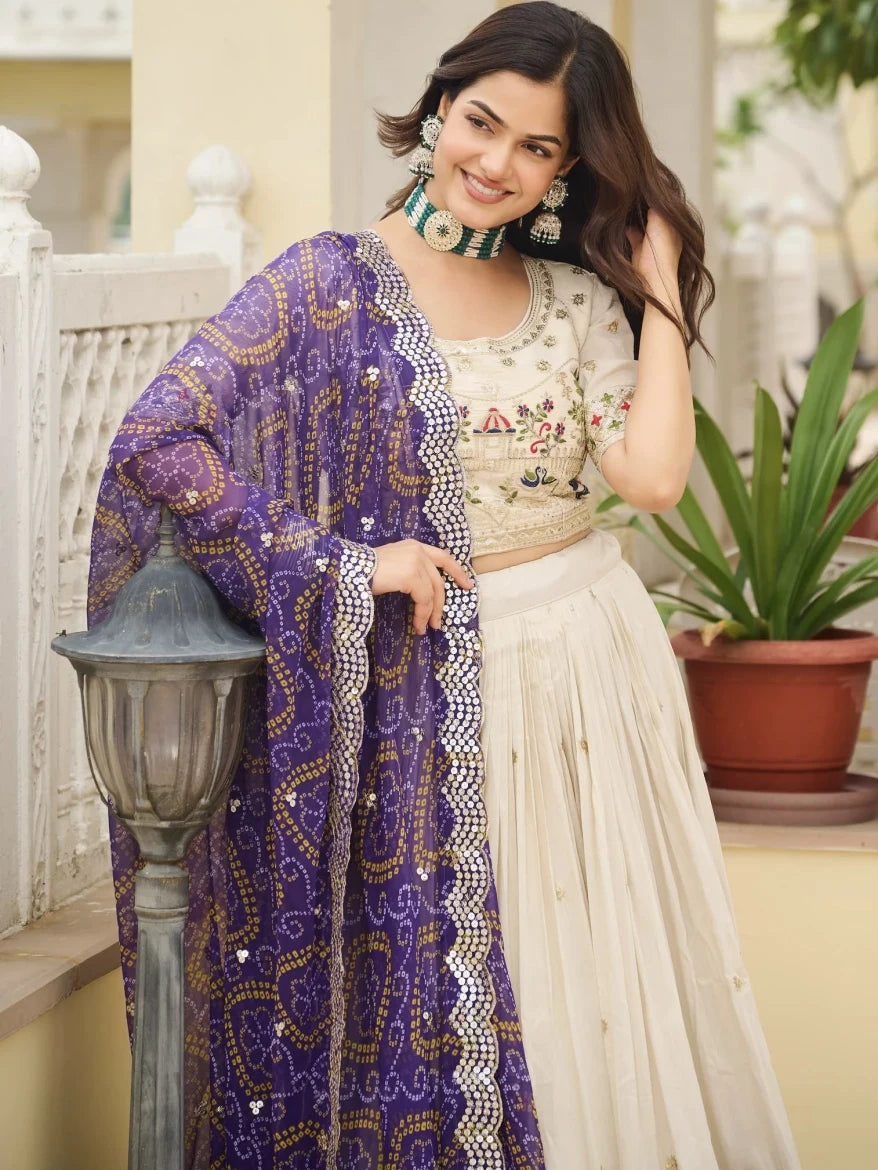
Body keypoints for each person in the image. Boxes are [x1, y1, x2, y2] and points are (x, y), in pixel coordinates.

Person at [89, 4, 802, 1168]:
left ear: (569, 168)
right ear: (436, 106)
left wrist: (661, 279)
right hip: (437, 694)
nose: (496, 163)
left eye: (539, 148)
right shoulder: (325, 284)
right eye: (482, 122)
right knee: (463, 984)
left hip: (590, 678)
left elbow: (653, 476)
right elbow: (159, 439)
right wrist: (344, 563)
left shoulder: (574, 302)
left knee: (596, 989)